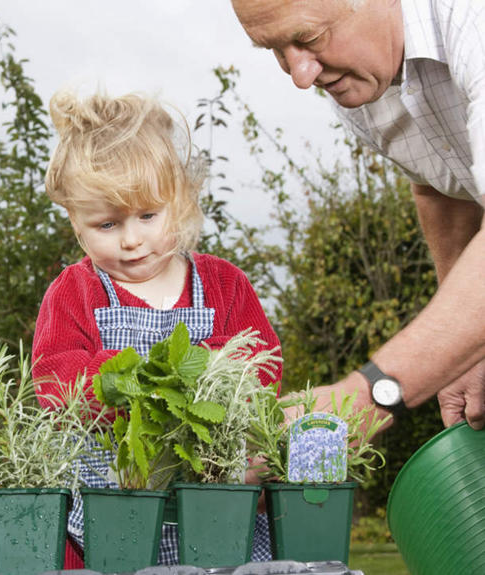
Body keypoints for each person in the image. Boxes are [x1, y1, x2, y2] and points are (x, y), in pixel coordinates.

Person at [31, 89, 283, 568]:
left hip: (211, 495)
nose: (131, 239)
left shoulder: (223, 284)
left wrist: (212, 382)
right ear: (76, 223)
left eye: (148, 215)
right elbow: (53, 376)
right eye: (107, 224)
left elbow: (262, 364)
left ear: (181, 200)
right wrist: (135, 381)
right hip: (112, 503)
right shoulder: (76, 291)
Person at [230, 0, 485, 431]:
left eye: (308, 39)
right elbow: (441, 187)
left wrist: (367, 397)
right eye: (274, 50)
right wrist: (466, 348)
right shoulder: (362, 86)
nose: (301, 76)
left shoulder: (471, 21)